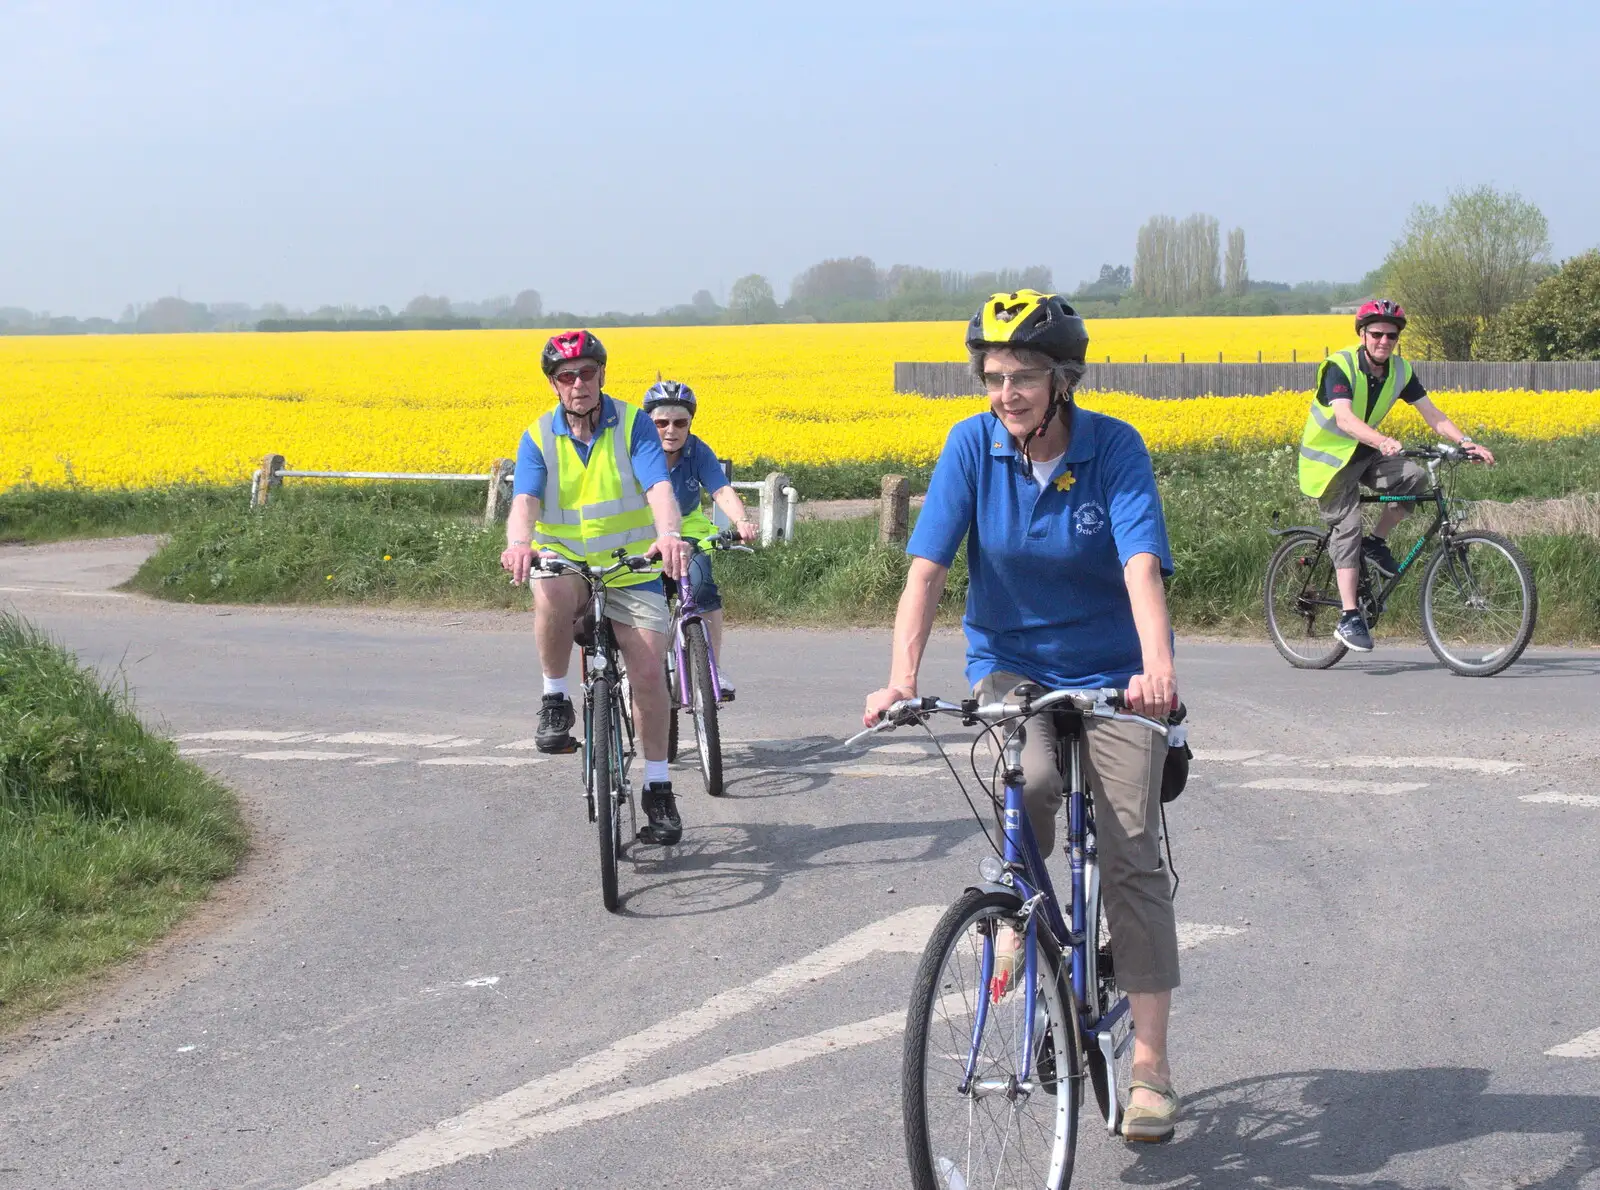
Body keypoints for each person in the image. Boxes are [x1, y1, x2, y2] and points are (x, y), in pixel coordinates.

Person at [862, 289, 1183, 1143]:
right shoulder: (972, 448)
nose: (1008, 393)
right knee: (1029, 779)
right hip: (1011, 663)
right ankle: (1016, 913)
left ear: (1063, 379)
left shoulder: (1114, 448)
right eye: (995, 376)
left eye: (1026, 376)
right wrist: (901, 678)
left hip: (1114, 670)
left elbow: (1142, 565)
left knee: (1130, 849)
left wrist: (1157, 672)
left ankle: (1148, 1066)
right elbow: (926, 571)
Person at [500, 330, 693, 846]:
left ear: (602, 375)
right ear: (554, 384)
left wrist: (670, 535)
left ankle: (658, 788)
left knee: (650, 671)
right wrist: (520, 542)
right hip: (567, 562)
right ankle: (555, 700)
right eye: (567, 376)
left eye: (587, 372)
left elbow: (659, 488)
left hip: (632, 567)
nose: (578, 383)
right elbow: (525, 501)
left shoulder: (633, 424)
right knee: (549, 591)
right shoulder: (539, 436)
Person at [1297, 299, 1495, 652]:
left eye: (1391, 336)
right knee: (1348, 526)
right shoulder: (1340, 366)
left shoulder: (1400, 371)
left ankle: (1376, 543)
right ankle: (1348, 616)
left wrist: (1466, 442)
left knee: (1413, 478)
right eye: (1376, 334)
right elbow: (1343, 418)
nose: (1383, 341)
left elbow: (1431, 412)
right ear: (1362, 334)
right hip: (1327, 462)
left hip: (1363, 452)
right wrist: (1382, 439)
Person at [640, 379, 758, 699]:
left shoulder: (698, 451)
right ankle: (629, 674)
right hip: (642, 528)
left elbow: (720, 489)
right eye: (661, 422)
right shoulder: (636, 453)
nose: (671, 430)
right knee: (633, 600)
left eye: (680, 422)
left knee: (702, 586)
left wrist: (742, 521)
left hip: (688, 528)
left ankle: (712, 668)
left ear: (690, 423)